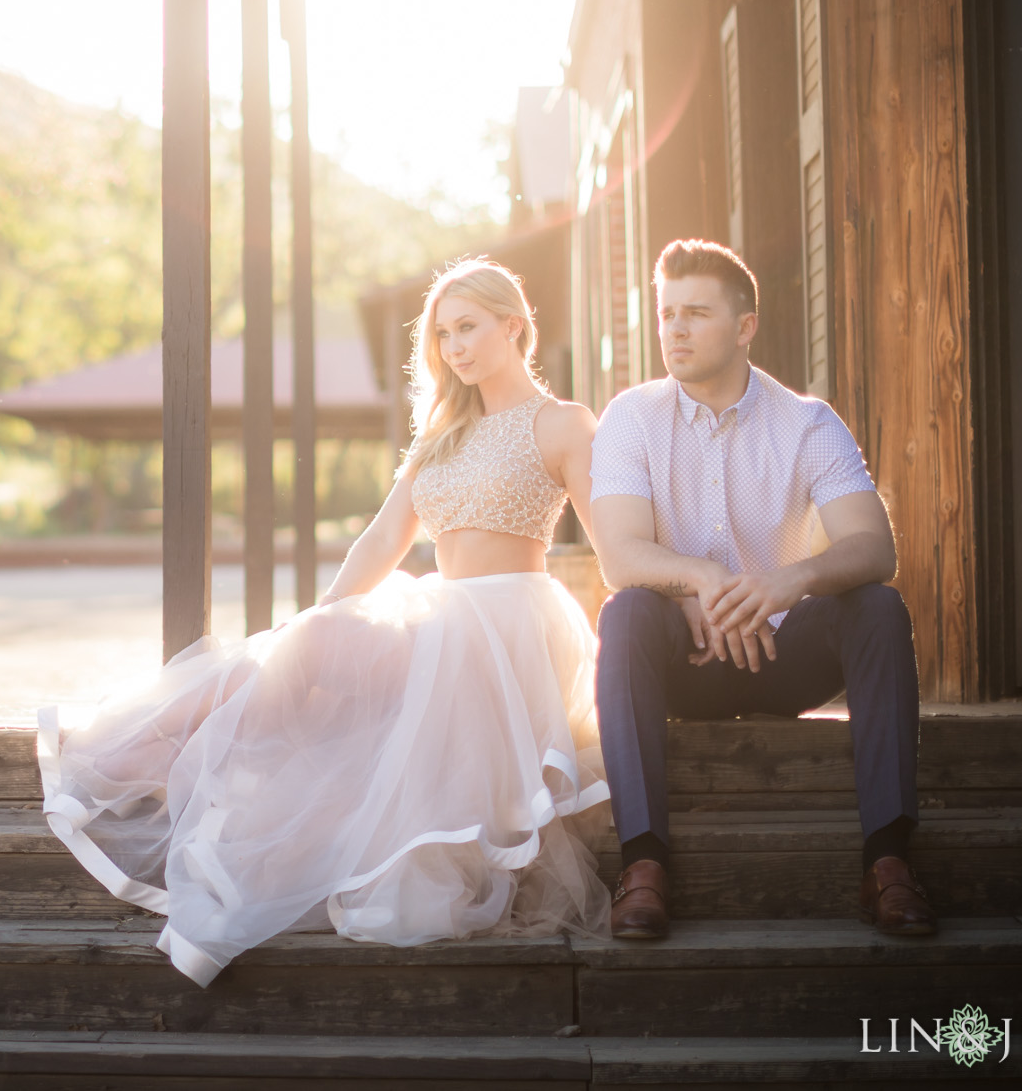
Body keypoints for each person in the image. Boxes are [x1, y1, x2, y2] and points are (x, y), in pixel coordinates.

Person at [38, 258, 611, 987]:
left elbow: (607, 538)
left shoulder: (564, 423)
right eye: (443, 335)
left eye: (468, 327)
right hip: (441, 617)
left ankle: (150, 756)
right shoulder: (442, 432)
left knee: (313, 652)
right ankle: (177, 760)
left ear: (514, 325)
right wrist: (328, 612)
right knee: (306, 643)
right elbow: (381, 538)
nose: (456, 347)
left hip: (509, 628)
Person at [590, 239, 933, 941]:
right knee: (625, 611)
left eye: (696, 313)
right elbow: (620, 555)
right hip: (682, 660)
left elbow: (876, 545)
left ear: (745, 325)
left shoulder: (808, 422)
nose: (675, 330)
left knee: (876, 604)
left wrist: (788, 581)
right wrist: (702, 580)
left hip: (781, 655)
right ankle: (644, 865)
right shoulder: (632, 416)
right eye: (666, 314)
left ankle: (889, 860)